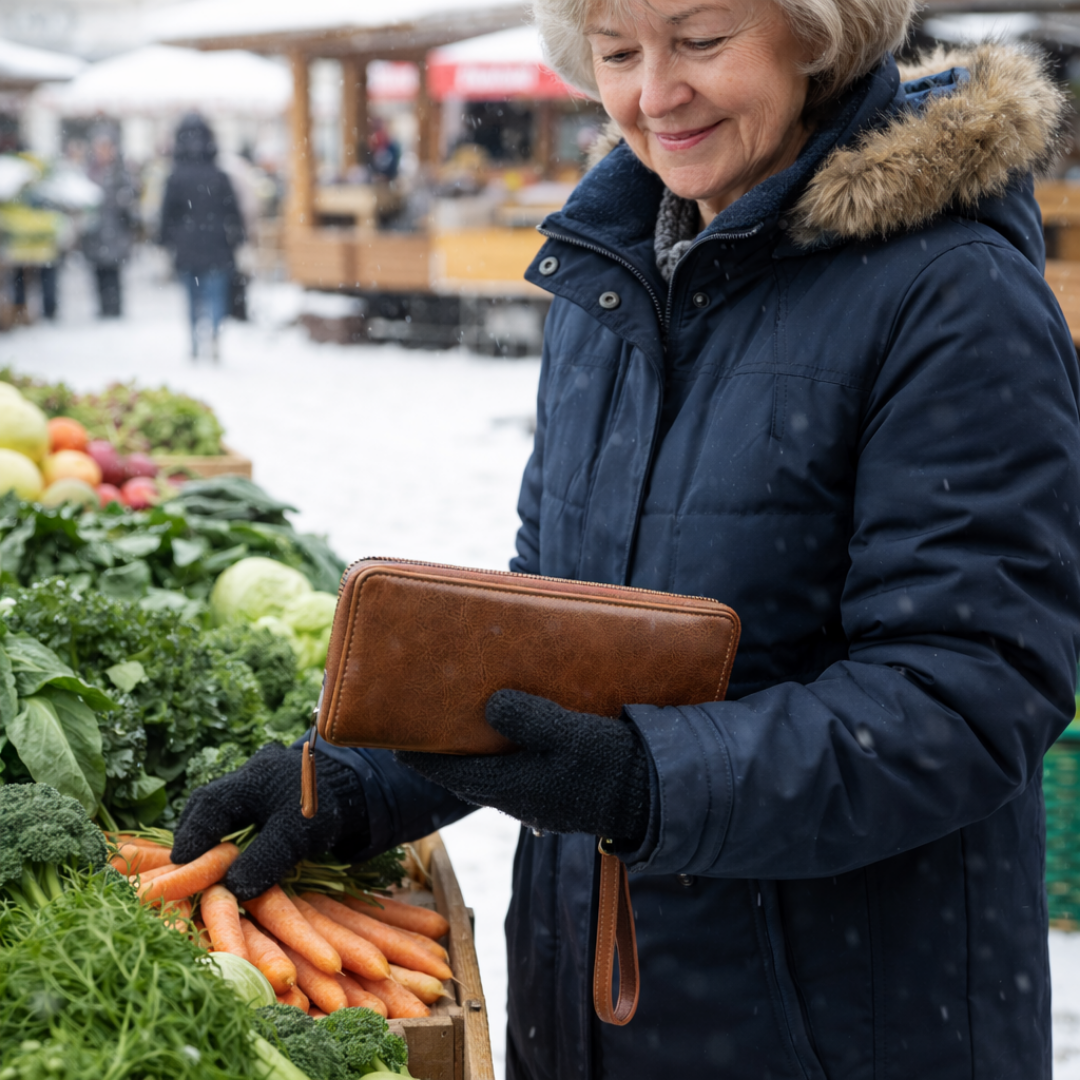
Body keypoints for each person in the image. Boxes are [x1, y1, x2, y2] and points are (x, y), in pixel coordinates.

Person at [172, 3, 1080, 1077]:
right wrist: (362, 778)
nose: (654, 95)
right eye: (616, 54)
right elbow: (556, 631)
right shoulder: (614, 272)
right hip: (589, 1007)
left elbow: (969, 693)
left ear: (818, 33)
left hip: (833, 1031)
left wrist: (653, 784)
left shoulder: (955, 295)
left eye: (700, 41)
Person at [158, 114, 245, 359]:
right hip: (217, 243)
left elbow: (167, 214)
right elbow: (233, 212)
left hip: (187, 245)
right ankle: (215, 333)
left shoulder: (176, 176)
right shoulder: (219, 175)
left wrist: (164, 241)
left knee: (192, 297)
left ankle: (195, 340)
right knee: (216, 295)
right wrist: (239, 239)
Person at [81, 134, 136, 318]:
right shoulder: (89, 171)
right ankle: (103, 307)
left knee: (114, 272)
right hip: (95, 232)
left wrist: (121, 200)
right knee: (98, 272)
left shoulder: (120, 172)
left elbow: (131, 196)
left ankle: (115, 307)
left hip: (115, 231)